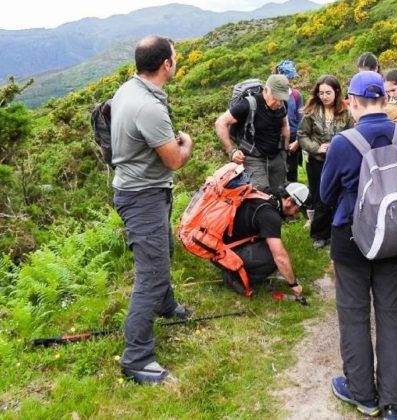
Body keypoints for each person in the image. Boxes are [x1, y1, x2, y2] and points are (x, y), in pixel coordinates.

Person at [321, 71, 397, 420]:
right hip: (395, 239)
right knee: (392, 317)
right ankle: (395, 402)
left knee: (353, 316)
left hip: (351, 241)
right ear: (386, 99)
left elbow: (325, 194)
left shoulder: (343, 143)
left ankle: (362, 394)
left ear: (351, 102)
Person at [111, 35, 195, 384]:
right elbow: (174, 160)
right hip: (142, 195)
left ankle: (166, 306)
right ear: (166, 64)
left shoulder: (126, 91)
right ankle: (137, 358)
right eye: (175, 57)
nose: (176, 61)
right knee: (151, 274)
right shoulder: (149, 107)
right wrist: (186, 144)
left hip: (142, 188)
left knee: (163, 253)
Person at [220, 182, 308, 298]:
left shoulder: (266, 193)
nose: (295, 216)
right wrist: (293, 284)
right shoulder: (269, 215)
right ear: (289, 201)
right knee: (272, 258)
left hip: (219, 242)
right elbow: (280, 258)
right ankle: (235, 277)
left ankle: (236, 266)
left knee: (271, 246)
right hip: (223, 252)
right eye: (297, 210)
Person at [297, 75, 353, 249]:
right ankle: (319, 235)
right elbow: (301, 134)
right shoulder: (311, 111)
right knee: (320, 197)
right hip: (317, 161)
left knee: (339, 196)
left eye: (328, 92)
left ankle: (337, 233)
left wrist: (338, 146)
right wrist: (316, 148)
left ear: (336, 92)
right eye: (321, 93)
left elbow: (352, 133)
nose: (324, 96)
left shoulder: (346, 111)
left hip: (339, 162)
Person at [215, 74, 291, 191]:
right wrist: (232, 151)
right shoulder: (248, 105)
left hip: (276, 156)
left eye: (282, 99)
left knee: (280, 193)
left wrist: (285, 151)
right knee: (261, 195)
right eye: (276, 98)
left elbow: (285, 125)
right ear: (266, 91)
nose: (279, 103)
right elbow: (220, 123)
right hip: (253, 158)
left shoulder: (282, 105)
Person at [275, 60, 304, 182]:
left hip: (293, 140)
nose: (290, 81)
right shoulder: (272, 94)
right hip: (276, 140)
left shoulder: (297, 96)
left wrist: (297, 141)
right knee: (277, 173)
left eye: (291, 78)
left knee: (292, 173)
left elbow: (302, 121)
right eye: (288, 78)